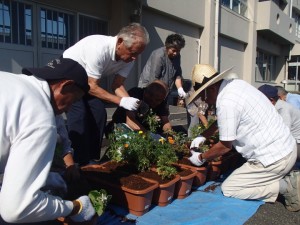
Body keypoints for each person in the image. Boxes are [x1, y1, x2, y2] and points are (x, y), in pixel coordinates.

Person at [186, 64, 299, 212]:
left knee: (230, 188)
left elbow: (225, 145)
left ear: (212, 89)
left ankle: (286, 186)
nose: (205, 101)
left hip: (275, 159)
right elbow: (225, 119)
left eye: (203, 95)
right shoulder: (236, 85)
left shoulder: (226, 101)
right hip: (285, 148)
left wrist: (201, 157)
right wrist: (204, 135)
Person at [0, 58, 95, 224]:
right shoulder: (39, 115)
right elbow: (15, 210)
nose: (69, 108)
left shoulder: (10, 82)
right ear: (65, 86)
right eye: (73, 101)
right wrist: (74, 207)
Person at [62, 23, 150, 166]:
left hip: (86, 82)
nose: (134, 58)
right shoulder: (98, 47)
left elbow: (117, 85)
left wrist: (131, 107)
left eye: (137, 54)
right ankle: (75, 162)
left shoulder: (129, 58)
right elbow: (92, 86)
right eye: (132, 52)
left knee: (99, 112)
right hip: (68, 77)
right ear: (120, 42)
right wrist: (120, 101)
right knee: (79, 115)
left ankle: (90, 158)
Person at [258, 84, 300, 165]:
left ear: (271, 100)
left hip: (297, 143)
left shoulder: (283, 109)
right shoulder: (276, 106)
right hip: (293, 141)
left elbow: (284, 133)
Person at [138, 33, 187, 99]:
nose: (175, 53)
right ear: (167, 46)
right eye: (173, 50)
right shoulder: (158, 56)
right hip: (149, 87)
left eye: (178, 51)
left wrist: (180, 89)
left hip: (163, 90)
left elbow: (177, 74)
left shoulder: (177, 56)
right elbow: (154, 79)